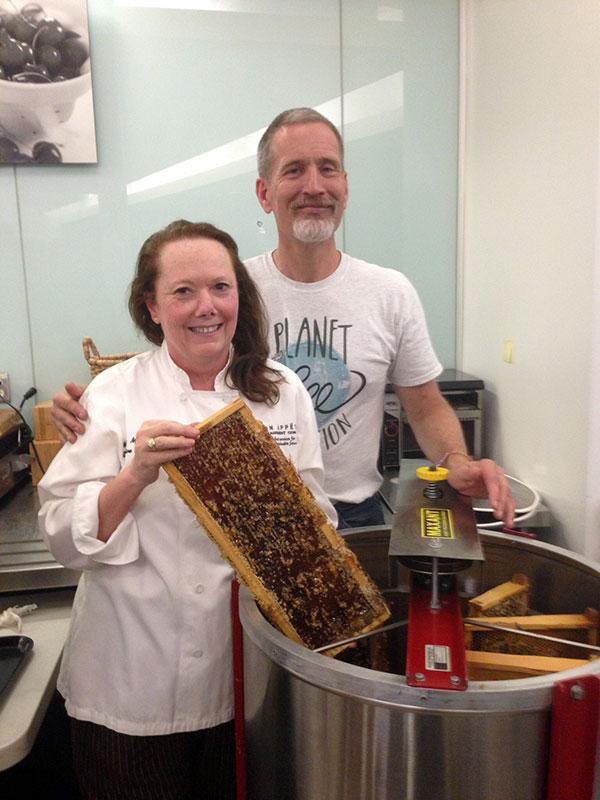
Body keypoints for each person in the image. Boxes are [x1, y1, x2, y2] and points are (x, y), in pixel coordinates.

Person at [51, 108, 515, 529]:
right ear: (264, 192)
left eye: (327, 168)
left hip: (356, 513)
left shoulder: (389, 293)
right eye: (294, 170)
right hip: (250, 518)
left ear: (346, 187)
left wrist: (458, 460)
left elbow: (426, 404)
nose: (314, 185)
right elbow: (176, 366)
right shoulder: (230, 289)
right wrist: (92, 406)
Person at [38, 220, 336, 800]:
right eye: (183, 291)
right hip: (130, 687)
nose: (207, 306)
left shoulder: (282, 391)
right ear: (152, 306)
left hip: (245, 684)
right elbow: (61, 538)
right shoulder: (111, 395)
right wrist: (136, 475)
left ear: (239, 298)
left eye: (221, 288)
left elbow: (315, 526)